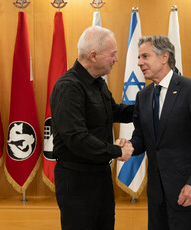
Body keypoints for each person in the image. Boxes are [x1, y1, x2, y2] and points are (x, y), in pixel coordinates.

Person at [119, 35, 191, 230]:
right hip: (156, 192)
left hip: (185, 189)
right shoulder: (144, 96)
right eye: (139, 58)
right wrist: (130, 146)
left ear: (164, 57)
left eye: (145, 56)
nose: (139, 63)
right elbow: (142, 137)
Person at [50, 26, 134, 230]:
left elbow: (112, 111)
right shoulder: (68, 87)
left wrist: (148, 108)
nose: (116, 59)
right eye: (112, 54)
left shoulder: (98, 82)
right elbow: (77, 138)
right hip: (77, 181)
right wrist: (117, 151)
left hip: (100, 176)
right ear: (93, 55)